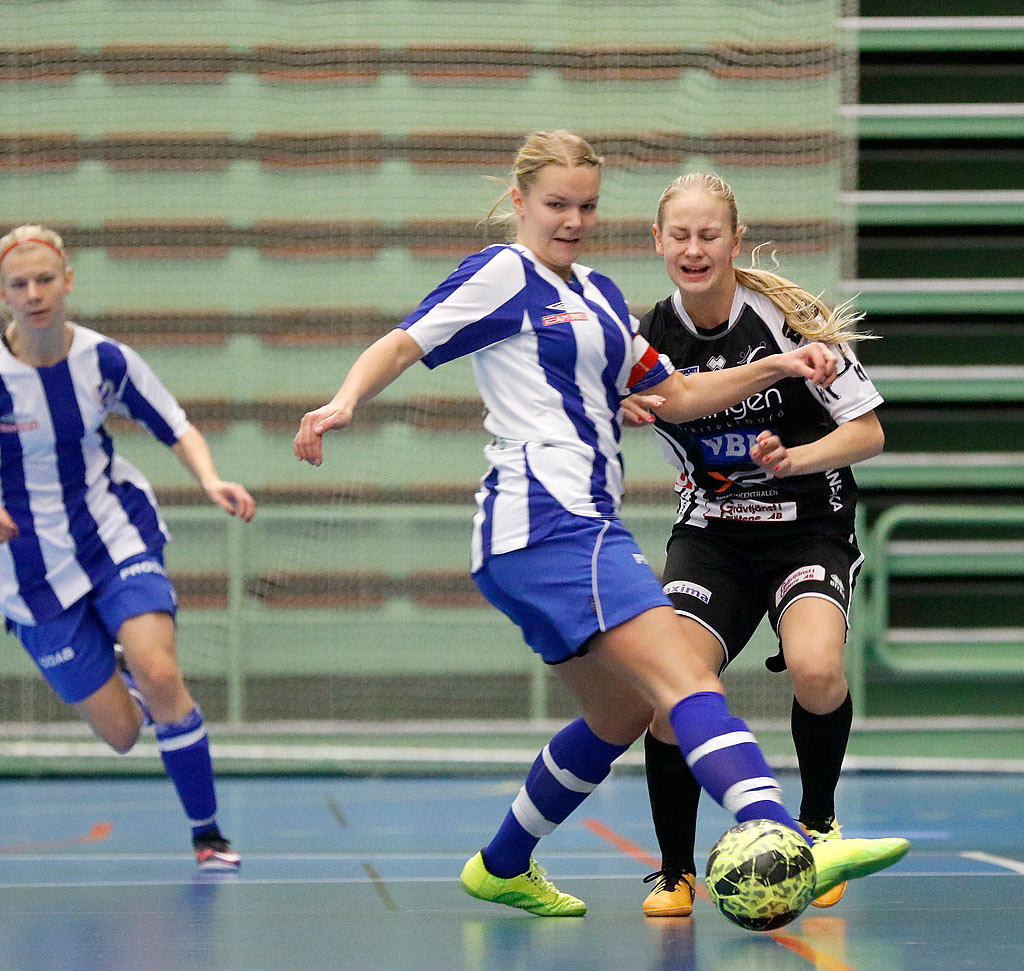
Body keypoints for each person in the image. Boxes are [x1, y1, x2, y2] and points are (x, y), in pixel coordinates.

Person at [291, 130, 907, 917]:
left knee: (621, 711)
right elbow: (406, 341)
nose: (573, 219)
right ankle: (783, 834)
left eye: (586, 205)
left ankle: (503, 863)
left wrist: (781, 366)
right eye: (555, 204)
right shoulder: (502, 274)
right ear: (519, 202)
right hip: (554, 522)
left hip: (557, 533)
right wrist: (344, 400)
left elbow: (679, 395)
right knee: (685, 680)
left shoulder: (602, 298)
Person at [622, 172, 884, 917]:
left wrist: (792, 459)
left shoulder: (790, 321)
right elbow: (606, 395)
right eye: (681, 236)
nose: (695, 249)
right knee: (672, 694)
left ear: (736, 242)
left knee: (816, 669)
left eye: (710, 235)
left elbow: (869, 431)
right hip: (713, 537)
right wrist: (622, 405)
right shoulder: (650, 337)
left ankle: (819, 826)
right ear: (659, 242)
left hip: (809, 528)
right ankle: (675, 871)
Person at [0, 224, 254, 871]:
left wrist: (210, 478)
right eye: (19, 284)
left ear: (68, 283)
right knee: (120, 733)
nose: (34, 294)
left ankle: (208, 835)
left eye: (45, 280)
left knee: (163, 672)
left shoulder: (105, 360)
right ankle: (121, 676)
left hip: (113, 532)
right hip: (28, 570)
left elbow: (175, 424)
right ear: (4, 295)